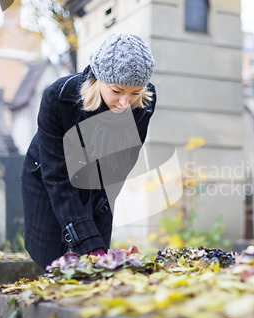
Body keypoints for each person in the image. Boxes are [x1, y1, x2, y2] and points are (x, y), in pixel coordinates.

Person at [21, 32, 157, 268]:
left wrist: (91, 241)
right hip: (48, 175)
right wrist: (83, 236)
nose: (125, 102)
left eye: (134, 92)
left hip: (99, 180)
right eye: (117, 91)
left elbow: (120, 167)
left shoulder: (143, 103)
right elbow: (57, 177)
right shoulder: (58, 96)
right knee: (51, 258)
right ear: (99, 79)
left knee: (96, 259)